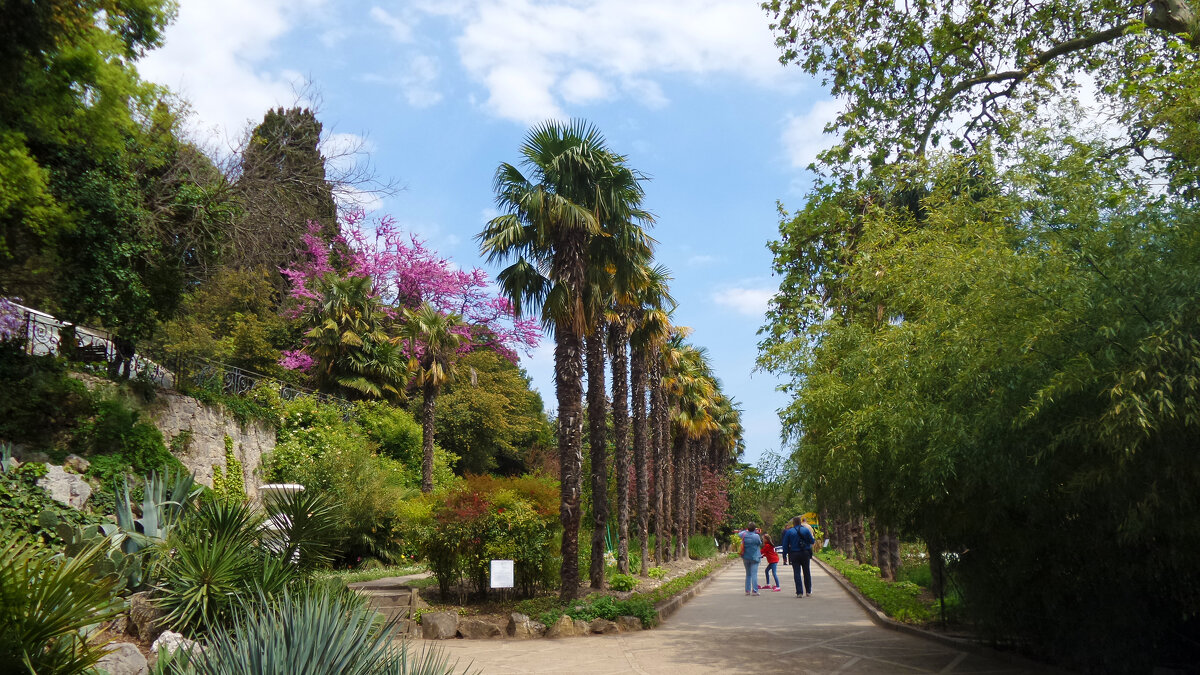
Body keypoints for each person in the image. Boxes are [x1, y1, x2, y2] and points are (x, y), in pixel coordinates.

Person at [781, 516, 816, 597]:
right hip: (805, 553)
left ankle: (799, 592)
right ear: (800, 522)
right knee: (806, 571)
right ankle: (808, 591)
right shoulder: (806, 530)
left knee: (797, 573)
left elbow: (785, 545)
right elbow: (812, 540)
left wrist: (784, 556)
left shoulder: (789, 532)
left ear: (793, 523)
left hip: (794, 554)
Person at [739, 521, 763, 596]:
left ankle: (747, 590)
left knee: (748, 574)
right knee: (754, 574)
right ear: (754, 529)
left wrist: (746, 530)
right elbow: (760, 543)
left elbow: (739, 534)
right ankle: (755, 590)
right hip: (755, 557)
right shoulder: (756, 536)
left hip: (745, 556)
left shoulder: (744, 534)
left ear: (748, 528)